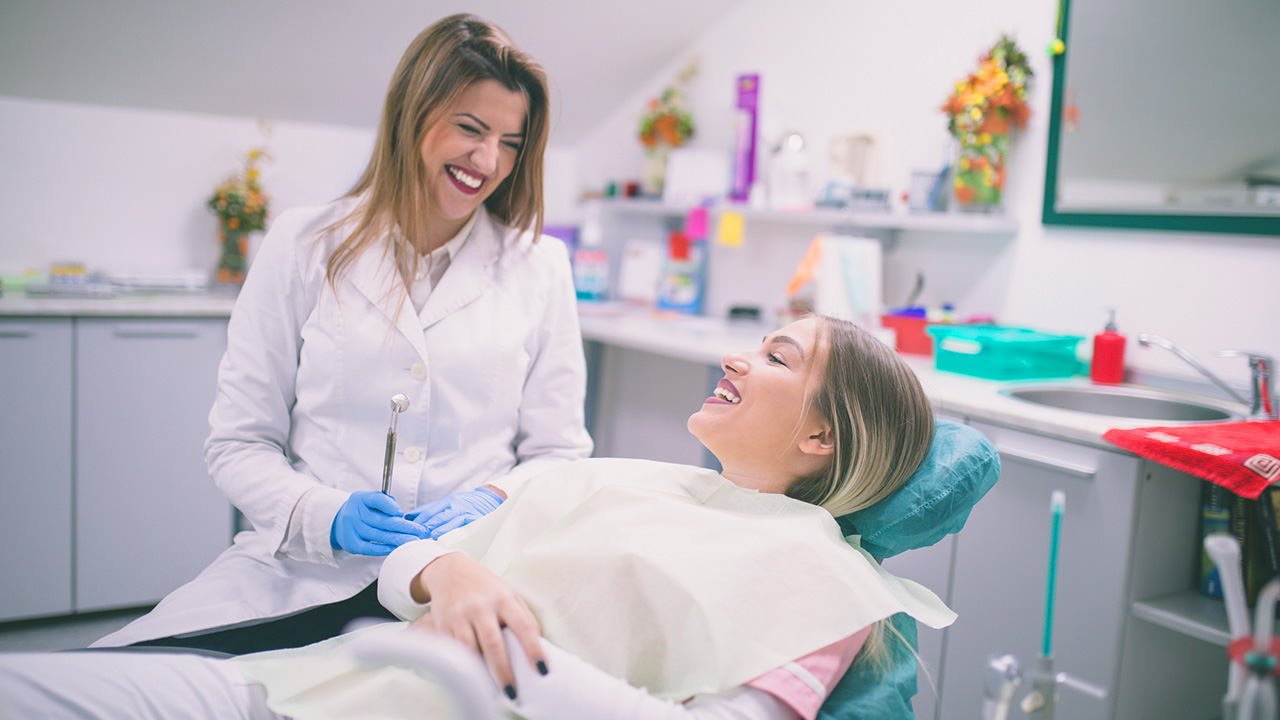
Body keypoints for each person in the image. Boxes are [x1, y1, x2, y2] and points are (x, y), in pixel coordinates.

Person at [0, 316, 957, 720]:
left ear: (824, 438)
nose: (740, 359)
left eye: (779, 358)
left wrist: (495, 672)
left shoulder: (828, 588)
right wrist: (441, 574)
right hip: (300, 686)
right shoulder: (622, 475)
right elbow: (407, 566)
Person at [92, 13, 593, 654]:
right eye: (469, 128)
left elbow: (559, 456)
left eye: (510, 142)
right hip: (301, 570)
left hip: (472, 570)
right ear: (412, 115)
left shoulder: (539, 266)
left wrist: (493, 498)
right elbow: (239, 444)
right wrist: (325, 515)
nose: (488, 160)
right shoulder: (303, 244)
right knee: (135, 675)